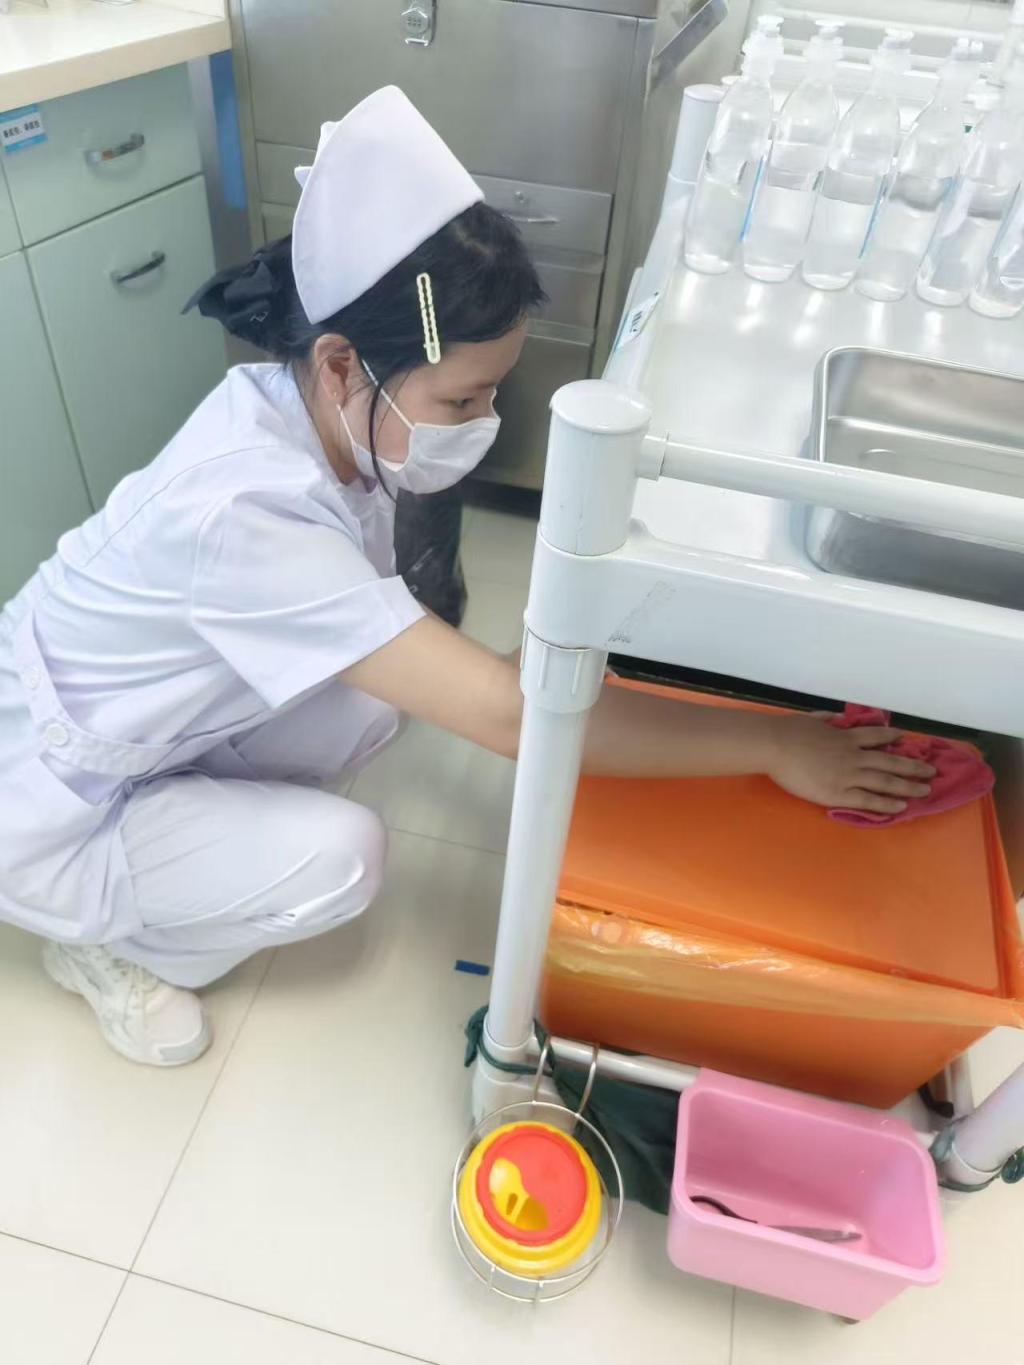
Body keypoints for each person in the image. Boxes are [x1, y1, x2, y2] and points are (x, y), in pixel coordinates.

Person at [0, 88, 934, 1068]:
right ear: (341, 365)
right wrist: (774, 745)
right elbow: (511, 716)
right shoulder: (243, 513)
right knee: (342, 858)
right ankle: (107, 942)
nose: (482, 422)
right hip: (49, 796)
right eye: (461, 399)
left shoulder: (311, 415)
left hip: (141, 718)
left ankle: (182, 838)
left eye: (492, 393)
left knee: (374, 701)